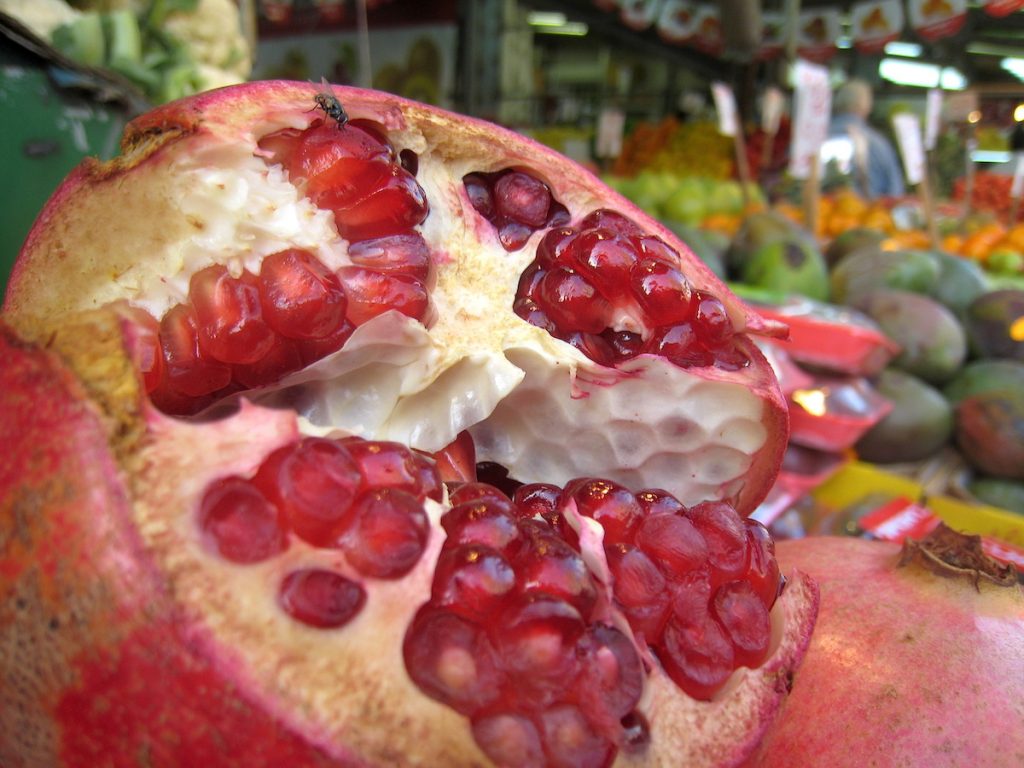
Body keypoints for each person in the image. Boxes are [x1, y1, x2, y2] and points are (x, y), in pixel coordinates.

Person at [827, 79, 906, 199]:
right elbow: (896, 194)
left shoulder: (815, 139)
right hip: (871, 215)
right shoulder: (879, 144)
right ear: (867, 106)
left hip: (813, 214)